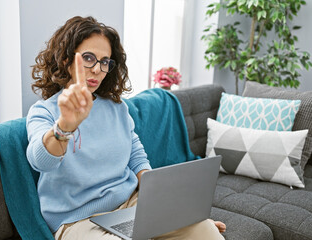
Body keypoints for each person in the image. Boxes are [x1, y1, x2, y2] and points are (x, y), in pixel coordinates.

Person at [26, 16, 226, 240]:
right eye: (89, 58)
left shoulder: (116, 107)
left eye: (105, 61)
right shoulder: (43, 112)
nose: (97, 69)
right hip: (76, 220)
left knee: (206, 231)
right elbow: (40, 160)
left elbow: (135, 152)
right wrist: (65, 126)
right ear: (65, 59)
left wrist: (167, 201)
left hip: (130, 204)